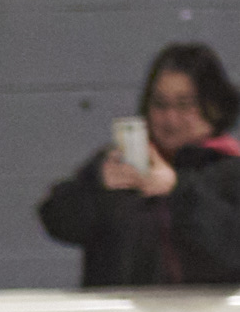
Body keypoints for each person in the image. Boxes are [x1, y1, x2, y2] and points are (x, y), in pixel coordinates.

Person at [36, 41, 238, 289]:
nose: (170, 119)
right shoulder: (121, 165)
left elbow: (229, 247)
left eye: (185, 105)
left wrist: (177, 189)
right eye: (160, 105)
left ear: (214, 106)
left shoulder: (229, 170)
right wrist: (98, 186)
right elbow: (58, 221)